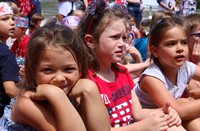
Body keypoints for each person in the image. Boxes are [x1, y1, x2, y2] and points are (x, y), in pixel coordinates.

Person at [77, 0, 185, 130]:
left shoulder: (122, 73)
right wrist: (141, 127)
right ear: (91, 41)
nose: (122, 44)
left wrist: (165, 112)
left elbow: (138, 113)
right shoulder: (86, 80)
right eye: (115, 37)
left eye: (124, 38)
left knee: (173, 125)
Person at [0, 23, 110, 131]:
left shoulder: (77, 93)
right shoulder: (26, 103)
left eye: (68, 69)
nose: (60, 78)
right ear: (32, 71)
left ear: (80, 67)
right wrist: (56, 96)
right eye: (48, 70)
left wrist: (90, 90)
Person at [134, 17, 200, 130]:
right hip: (148, 121)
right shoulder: (152, 77)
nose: (180, 48)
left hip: (169, 115)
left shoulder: (185, 67)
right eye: (171, 44)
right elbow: (178, 110)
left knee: (193, 117)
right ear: (155, 51)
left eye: (184, 42)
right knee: (177, 120)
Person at [0, 2, 19, 117]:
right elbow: (11, 91)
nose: (12, 22)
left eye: (13, 18)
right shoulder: (5, 53)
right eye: (5, 19)